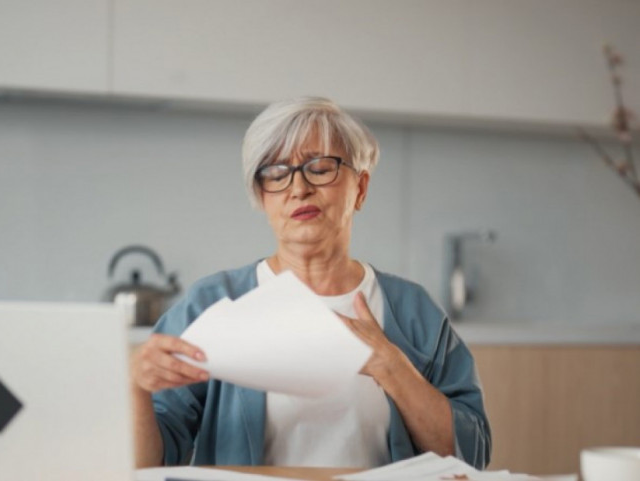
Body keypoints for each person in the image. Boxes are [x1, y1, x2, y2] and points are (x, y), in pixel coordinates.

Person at [130, 97, 491, 469]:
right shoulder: (213, 303)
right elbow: (145, 464)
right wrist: (137, 389)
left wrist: (391, 366)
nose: (298, 188)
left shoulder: (412, 310)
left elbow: (472, 456)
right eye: (276, 173)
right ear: (261, 196)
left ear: (361, 188)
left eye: (320, 168)